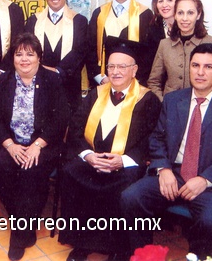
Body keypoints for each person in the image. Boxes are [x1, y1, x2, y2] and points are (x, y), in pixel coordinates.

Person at [121, 43, 212, 260]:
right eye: (195, 65)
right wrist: (163, 168)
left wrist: (206, 179)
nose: (200, 72)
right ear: (189, 68)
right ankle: (142, 255)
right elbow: (157, 138)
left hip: (210, 184)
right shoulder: (174, 100)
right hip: (172, 174)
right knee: (131, 197)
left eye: (208, 67)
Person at [59, 37, 161, 261]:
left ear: (134, 70)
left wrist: (122, 161)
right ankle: (81, 243)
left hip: (125, 163)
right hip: (93, 158)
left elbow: (151, 139)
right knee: (72, 173)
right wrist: (88, 156)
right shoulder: (95, 94)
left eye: (122, 67)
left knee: (126, 185)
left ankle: (119, 248)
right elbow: (75, 128)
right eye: (111, 66)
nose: (115, 72)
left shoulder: (148, 99)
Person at [0, 33, 69, 261]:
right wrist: (10, 145)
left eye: (30, 54)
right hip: (11, 142)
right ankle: (25, 221)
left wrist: (38, 145)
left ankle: (19, 234)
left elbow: (61, 118)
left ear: (39, 58)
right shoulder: (3, 81)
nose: (24, 59)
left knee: (30, 170)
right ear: (12, 58)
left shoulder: (52, 81)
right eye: (19, 54)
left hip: (42, 144)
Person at [24, 0, 88, 112]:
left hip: (68, 84)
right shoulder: (33, 21)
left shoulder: (79, 21)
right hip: (39, 83)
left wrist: (58, 71)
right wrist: (42, 70)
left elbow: (80, 51)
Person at [86, 0, 154, 87]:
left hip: (136, 85)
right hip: (103, 84)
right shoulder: (99, 14)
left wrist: (134, 80)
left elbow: (151, 54)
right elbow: (90, 50)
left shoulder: (146, 15)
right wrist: (101, 78)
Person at [148, 0, 212, 100]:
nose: (185, 18)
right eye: (180, 13)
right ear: (175, 15)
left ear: (198, 15)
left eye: (190, 13)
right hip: (170, 108)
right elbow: (154, 82)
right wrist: (164, 104)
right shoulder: (165, 45)